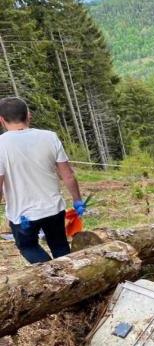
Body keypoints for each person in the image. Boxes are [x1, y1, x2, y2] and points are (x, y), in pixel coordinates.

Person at [0, 97, 86, 264]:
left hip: (22, 215)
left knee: (29, 247)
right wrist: (77, 200)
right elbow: (68, 175)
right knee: (60, 245)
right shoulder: (50, 137)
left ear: (1, 119)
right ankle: (69, 275)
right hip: (53, 208)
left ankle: (52, 274)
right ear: (28, 115)